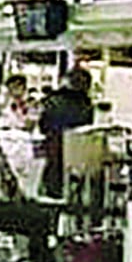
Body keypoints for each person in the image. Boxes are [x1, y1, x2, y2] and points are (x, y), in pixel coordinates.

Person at [38, 68, 94, 198]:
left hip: (52, 148)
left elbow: (43, 125)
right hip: (77, 152)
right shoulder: (85, 105)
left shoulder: (51, 100)